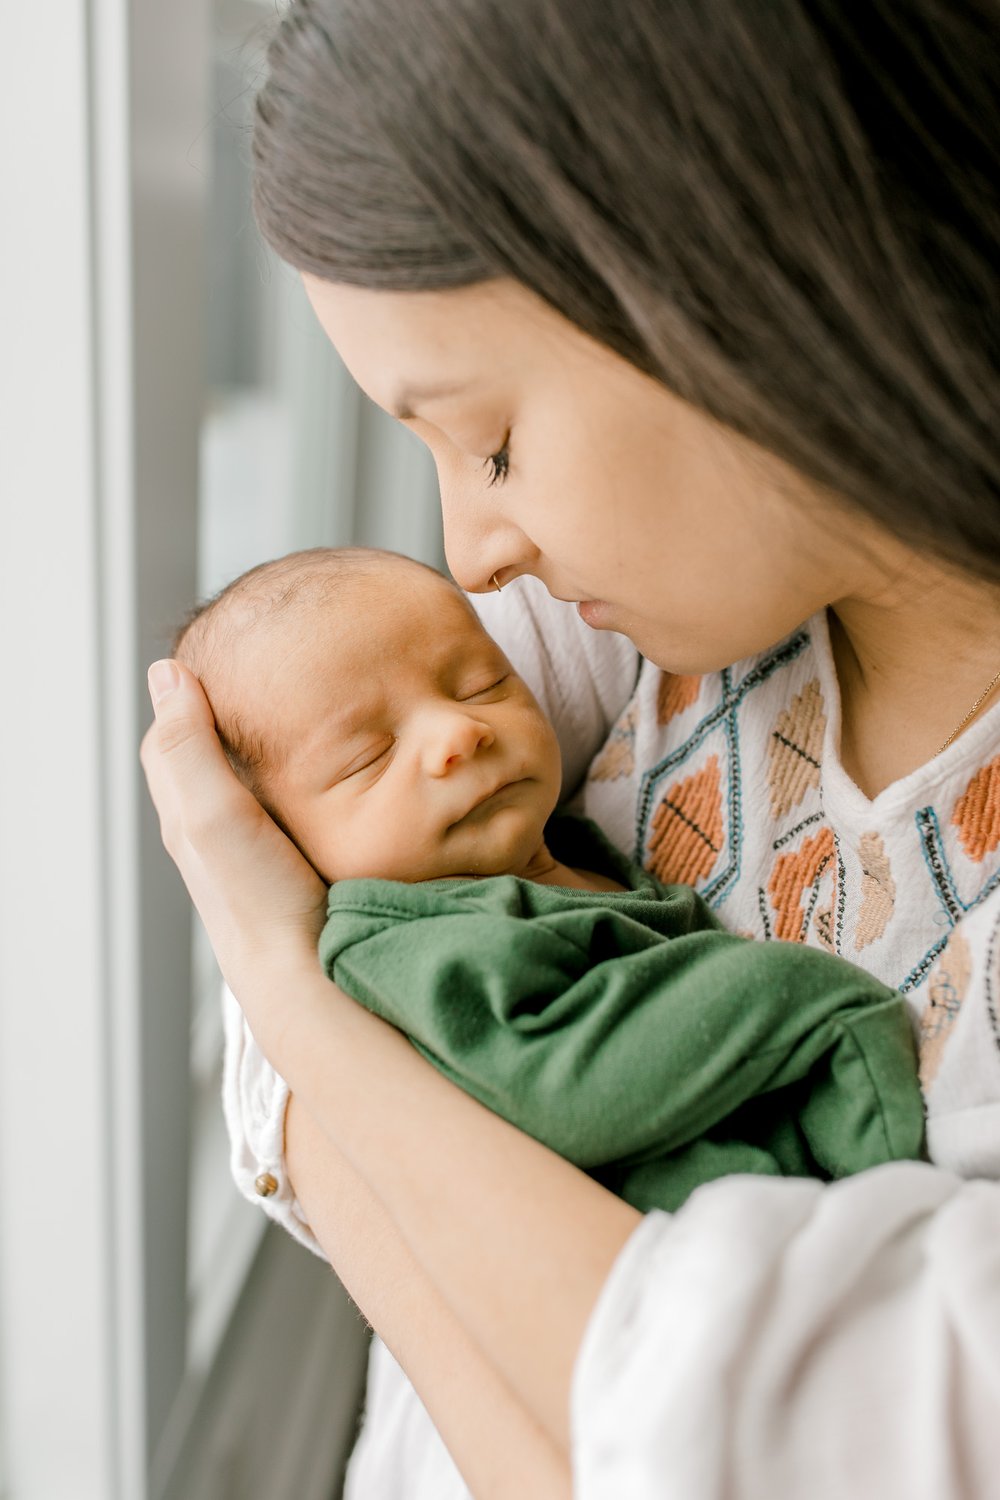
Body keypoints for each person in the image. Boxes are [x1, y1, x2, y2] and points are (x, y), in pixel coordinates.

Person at [141, 3, 1000, 1496]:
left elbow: (846, 1448)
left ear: (742, 282)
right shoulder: (619, 619)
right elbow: (286, 1064)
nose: (472, 554)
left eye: (487, 443)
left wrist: (301, 999)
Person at [173, 543, 924, 1222]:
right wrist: (806, 1002)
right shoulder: (413, 945)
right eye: (368, 756)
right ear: (282, 840)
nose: (457, 734)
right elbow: (571, 1091)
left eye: (480, 684)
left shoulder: (561, 846)